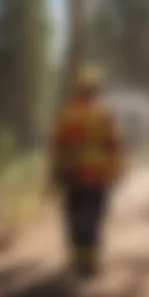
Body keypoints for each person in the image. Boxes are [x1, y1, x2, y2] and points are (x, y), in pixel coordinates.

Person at [50, 65, 124, 278]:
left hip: (73, 176)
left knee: (74, 217)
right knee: (94, 218)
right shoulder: (105, 113)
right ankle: (90, 263)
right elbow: (114, 145)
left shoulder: (68, 113)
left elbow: (58, 145)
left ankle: (78, 260)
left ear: (79, 88)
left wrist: (55, 172)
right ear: (96, 88)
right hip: (98, 177)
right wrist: (117, 171)